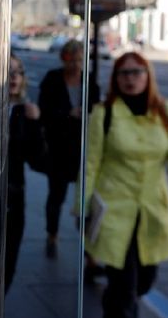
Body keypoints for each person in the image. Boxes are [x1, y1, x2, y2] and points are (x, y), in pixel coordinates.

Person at [80, 52, 168, 318]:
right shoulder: (104, 113)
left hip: (152, 212)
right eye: (124, 73)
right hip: (114, 212)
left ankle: (114, 300)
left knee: (143, 281)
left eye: (137, 72)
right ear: (115, 78)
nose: (130, 78)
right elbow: (90, 163)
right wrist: (82, 207)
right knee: (124, 287)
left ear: (148, 75)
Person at [38, 39, 99, 257]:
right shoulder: (53, 79)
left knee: (87, 198)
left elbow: (97, 111)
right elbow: (44, 110)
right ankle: (52, 234)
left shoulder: (89, 80)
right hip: (59, 148)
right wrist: (67, 113)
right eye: (69, 59)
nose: (74, 64)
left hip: (83, 148)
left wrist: (87, 114)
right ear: (63, 59)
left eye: (78, 59)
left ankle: (88, 246)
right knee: (57, 195)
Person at [5, 54, 48, 292]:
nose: (14, 77)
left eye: (18, 71)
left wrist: (35, 124)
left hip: (13, 198)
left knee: (7, 266)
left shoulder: (25, 111)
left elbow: (39, 161)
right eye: (8, 71)